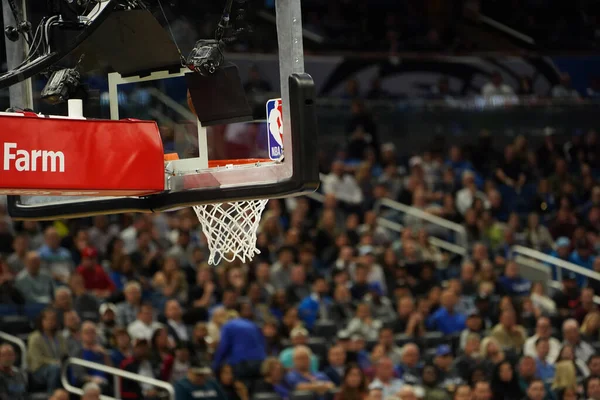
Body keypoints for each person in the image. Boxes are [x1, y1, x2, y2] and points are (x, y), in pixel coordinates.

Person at [212, 315, 266, 382]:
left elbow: (223, 347)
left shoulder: (228, 326)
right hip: (260, 360)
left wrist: (215, 366)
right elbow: (262, 342)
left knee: (242, 386)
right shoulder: (252, 324)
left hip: (242, 362)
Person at [27, 308, 68, 394]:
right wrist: (55, 362)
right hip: (39, 370)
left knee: (69, 368)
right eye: (48, 319)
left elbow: (65, 353)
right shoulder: (34, 338)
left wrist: (62, 361)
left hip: (59, 366)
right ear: (41, 321)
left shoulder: (60, 336)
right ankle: (52, 396)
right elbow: (37, 359)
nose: (51, 322)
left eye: (53, 319)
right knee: (54, 369)